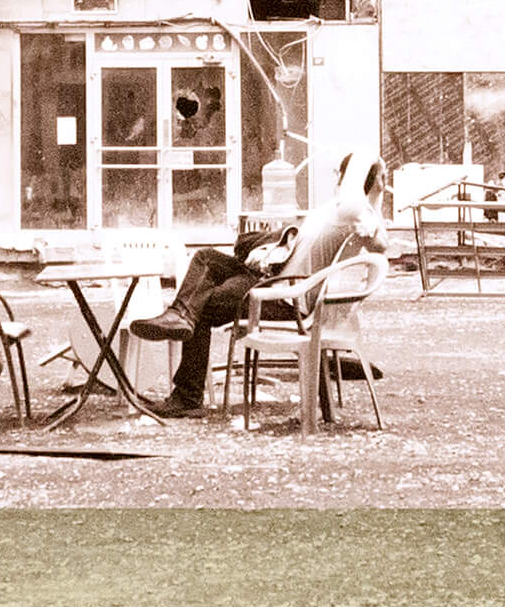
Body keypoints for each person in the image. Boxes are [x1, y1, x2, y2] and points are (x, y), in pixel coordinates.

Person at [130, 152, 388, 417]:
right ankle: (180, 316)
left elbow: (381, 244)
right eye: (383, 177)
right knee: (206, 258)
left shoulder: (353, 211)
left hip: (284, 298)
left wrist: (375, 186)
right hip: (270, 280)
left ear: (346, 178)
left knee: (203, 305)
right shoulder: (338, 210)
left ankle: (187, 395)